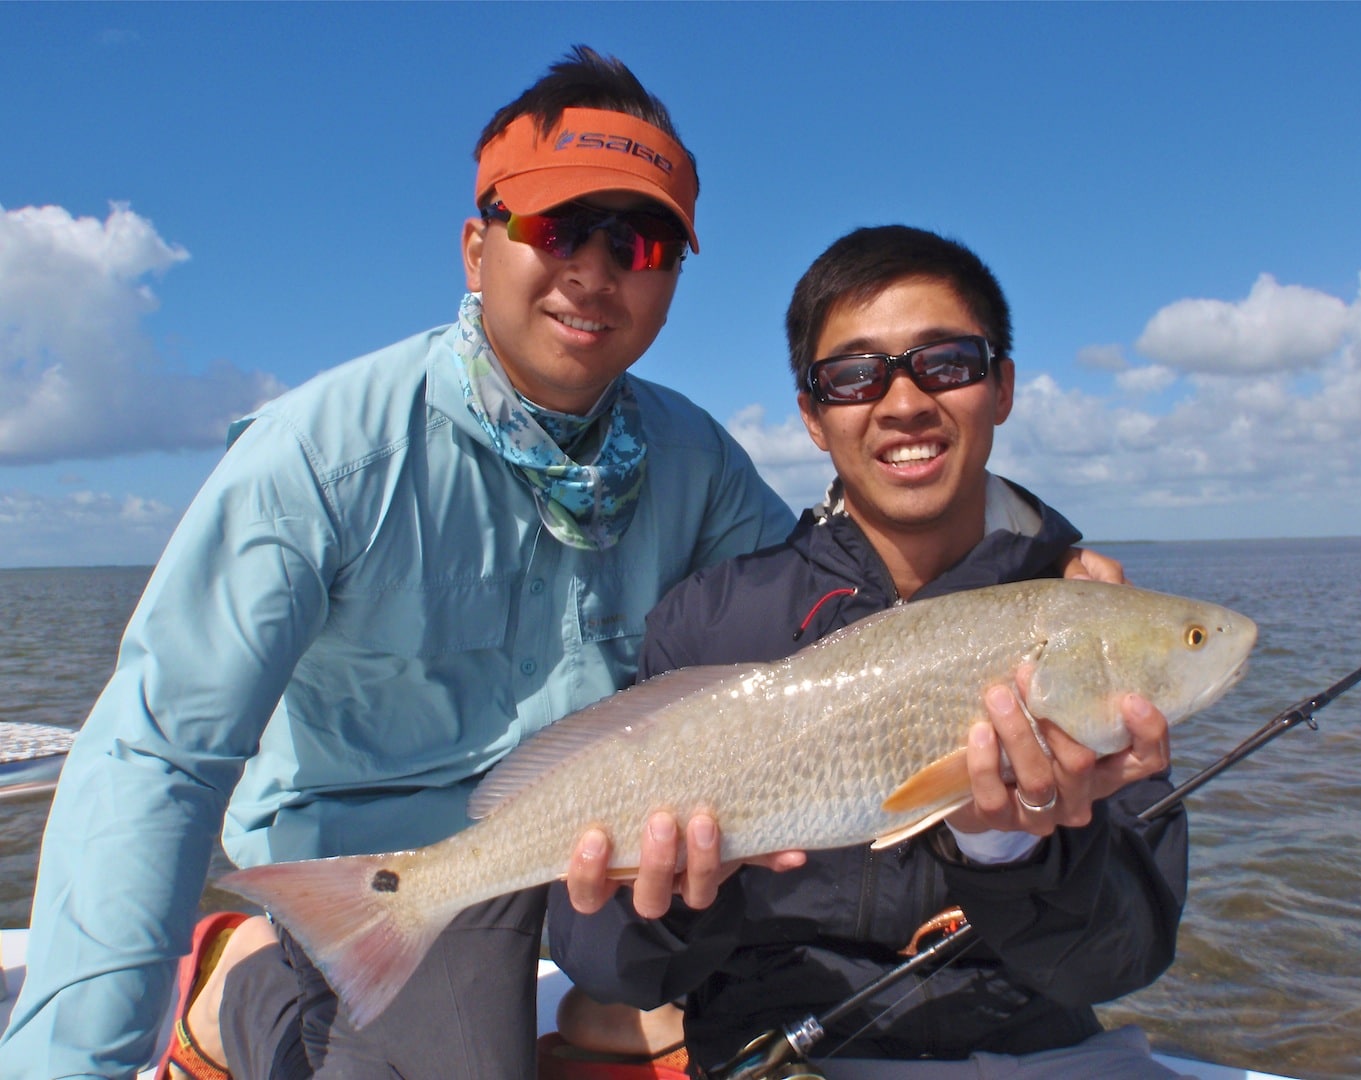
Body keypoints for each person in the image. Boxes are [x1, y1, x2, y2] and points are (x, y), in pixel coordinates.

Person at [0, 51, 1120, 1078]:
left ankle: (608, 1004)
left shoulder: (697, 460)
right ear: (476, 243)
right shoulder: (325, 454)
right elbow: (158, 751)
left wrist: (1050, 586)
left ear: (673, 275)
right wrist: (77, 1061)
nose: (594, 270)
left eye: (636, 241)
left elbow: (837, 614)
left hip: (592, 852)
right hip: (388, 872)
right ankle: (239, 985)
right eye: (557, 224)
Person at [549, 225, 1188, 1078]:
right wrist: (664, 907)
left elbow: (1122, 959)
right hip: (777, 1051)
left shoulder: (1087, 621)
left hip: (1038, 1048)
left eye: (947, 362)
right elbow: (608, 962)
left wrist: (1009, 849)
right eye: (852, 376)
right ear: (813, 418)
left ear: (1000, 388)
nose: (903, 402)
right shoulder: (712, 621)